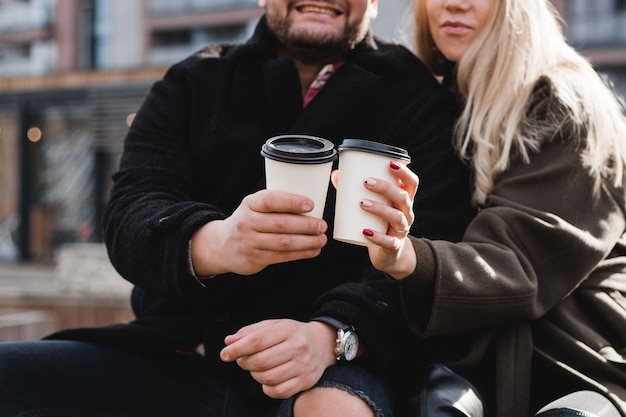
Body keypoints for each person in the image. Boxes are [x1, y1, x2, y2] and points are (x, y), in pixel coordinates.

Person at [0, 0, 476, 416]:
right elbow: (130, 212)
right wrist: (219, 243)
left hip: (335, 366)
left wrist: (333, 334)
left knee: (336, 407)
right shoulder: (194, 80)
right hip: (175, 357)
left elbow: (435, 252)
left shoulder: (420, 100)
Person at [350, 0, 626, 416]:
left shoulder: (565, 102)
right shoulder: (438, 98)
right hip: (468, 360)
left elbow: (517, 262)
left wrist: (407, 257)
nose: (452, 4)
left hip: (571, 362)